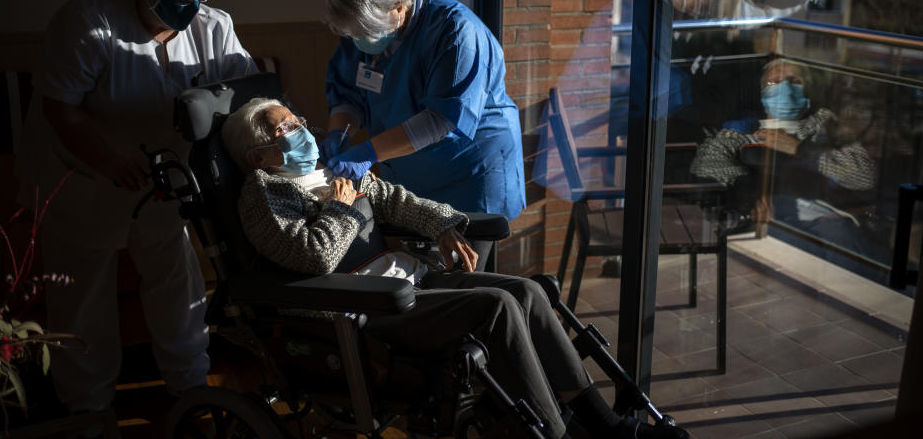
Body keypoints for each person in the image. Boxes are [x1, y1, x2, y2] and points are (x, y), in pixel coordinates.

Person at [220, 97, 689, 439]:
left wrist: (444, 225)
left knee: (528, 292)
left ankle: (603, 424)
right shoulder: (264, 196)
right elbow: (312, 256)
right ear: (258, 157)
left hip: (407, 281)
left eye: (298, 118)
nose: (304, 129)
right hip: (361, 309)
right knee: (498, 308)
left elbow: (399, 202)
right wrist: (342, 210)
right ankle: (557, 436)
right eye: (287, 129)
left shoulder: (334, 171)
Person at [17, 0, 255, 418]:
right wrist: (108, 162)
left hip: (167, 177)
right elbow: (60, 111)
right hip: (83, 174)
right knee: (81, 296)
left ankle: (189, 390)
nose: (193, 3)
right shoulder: (88, 22)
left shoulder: (212, 26)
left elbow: (243, 95)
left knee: (176, 280)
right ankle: (87, 410)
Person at [321, 0, 525, 222]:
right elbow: (347, 91)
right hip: (409, 173)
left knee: (462, 261)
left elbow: (441, 120)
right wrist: (340, 132)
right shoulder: (364, 23)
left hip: (469, 172)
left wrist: (368, 151)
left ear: (398, 5)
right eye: (353, 33)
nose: (360, 41)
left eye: (366, 32)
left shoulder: (456, 31)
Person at [690, 59, 883, 263]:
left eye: (794, 80)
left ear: (807, 90)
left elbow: (864, 177)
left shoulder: (826, 129)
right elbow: (706, 168)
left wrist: (799, 148)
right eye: (774, 82)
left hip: (827, 223)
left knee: (843, 240)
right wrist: (749, 195)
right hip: (766, 225)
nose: (785, 87)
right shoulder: (740, 133)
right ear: (762, 93)